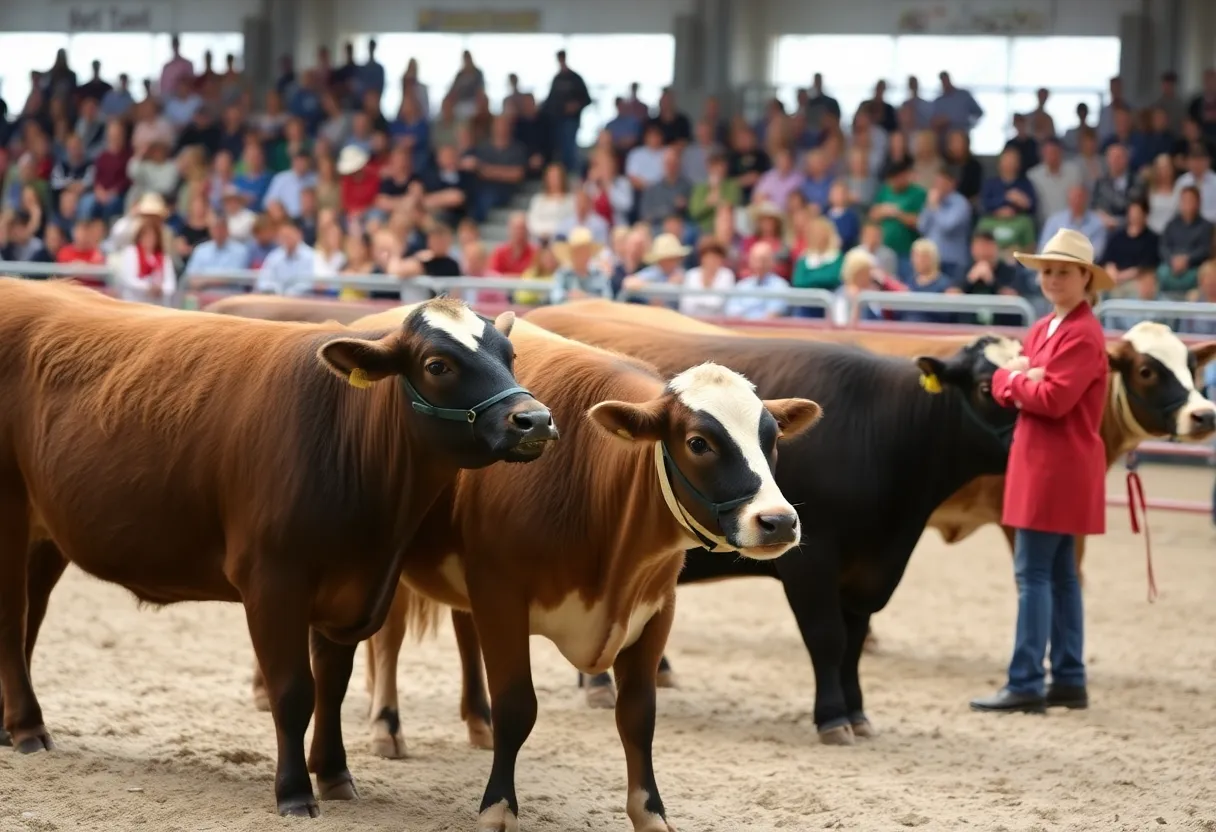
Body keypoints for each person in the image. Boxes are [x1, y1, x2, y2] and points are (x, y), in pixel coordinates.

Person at [970, 228, 1113, 715]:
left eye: (1063, 271)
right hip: (1053, 462)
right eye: (1048, 270)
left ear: (1084, 278)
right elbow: (1033, 385)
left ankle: (1027, 680)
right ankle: (1068, 677)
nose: (1052, 278)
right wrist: (1021, 378)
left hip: (1054, 465)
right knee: (1060, 575)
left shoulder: (1078, 334)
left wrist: (1008, 378)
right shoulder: (1054, 328)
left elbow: (1052, 398)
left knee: (1034, 574)